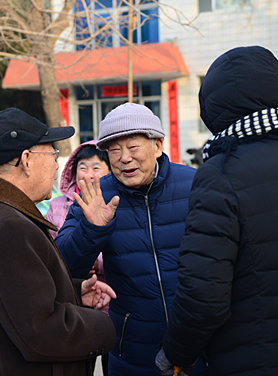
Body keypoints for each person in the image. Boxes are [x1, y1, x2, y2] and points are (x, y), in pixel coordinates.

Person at [155, 46, 278, 376]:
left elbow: (203, 297)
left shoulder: (221, 174)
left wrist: (175, 354)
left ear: (214, 107)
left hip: (259, 361)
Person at [0, 107, 116, 376]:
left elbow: (13, 297)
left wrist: (74, 293)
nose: (57, 166)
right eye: (53, 154)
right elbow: (42, 330)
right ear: (27, 160)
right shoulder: (7, 227)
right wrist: (106, 324)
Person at [55, 103, 205, 376]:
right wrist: (92, 229)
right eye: (114, 150)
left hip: (201, 345)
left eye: (133, 147)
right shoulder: (95, 195)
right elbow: (63, 267)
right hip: (132, 350)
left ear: (157, 146)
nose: (124, 158)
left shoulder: (196, 184)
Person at [46, 140, 112, 375]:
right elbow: (51, 247)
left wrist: (94, 260)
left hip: (110, 297)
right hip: (74, 298)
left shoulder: (115, 202)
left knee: (112, 360)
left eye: (96, 167)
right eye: (83, 167)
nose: (89, 174)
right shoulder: (58, 205)